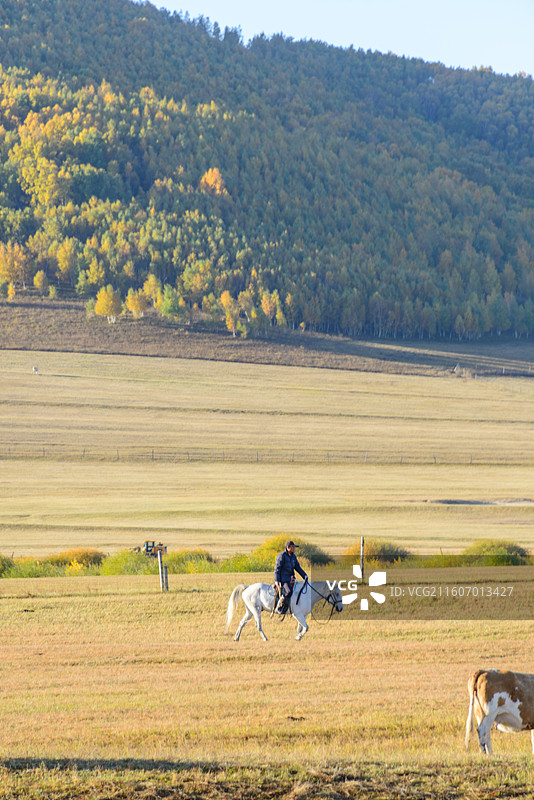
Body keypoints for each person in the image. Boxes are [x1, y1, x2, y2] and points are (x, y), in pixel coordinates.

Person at [274, 540, 308, 614]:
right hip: (283, 579)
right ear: (288, 547)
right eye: (293, 547)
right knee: (289, 591)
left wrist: (304, 576)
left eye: (294, 547)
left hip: (291, 579)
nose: (294, 549)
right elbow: (277, 568)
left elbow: (298, 568)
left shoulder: (293, 557)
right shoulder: (282, 555)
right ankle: (280, 606)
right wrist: (277, 580)